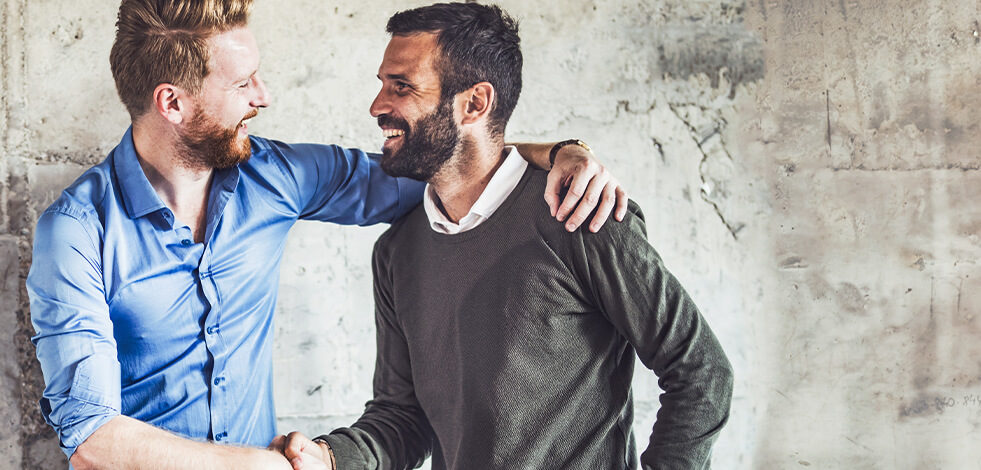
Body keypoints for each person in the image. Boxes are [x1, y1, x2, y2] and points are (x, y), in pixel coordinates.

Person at [27, 1, 630, 468]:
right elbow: (92, 438)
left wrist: (562, 150)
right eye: (243, 85)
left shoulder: (275, 175)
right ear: (173, 103)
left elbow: (442, 166)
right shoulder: (76, 232)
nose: (263, 96)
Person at [275, 3, 733, 469]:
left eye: (402, 86)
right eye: (382, 84)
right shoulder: (397, 252)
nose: (377, 106)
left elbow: (701, 372)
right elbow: (403, 418)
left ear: (475, 103)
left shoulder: (579, 216)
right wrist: (329, 458)